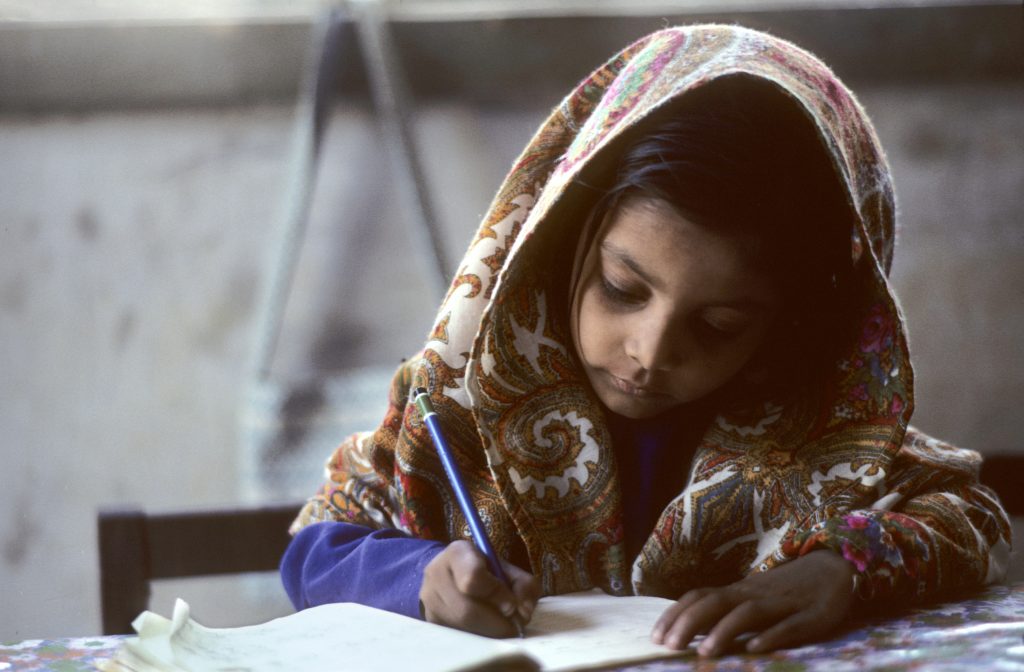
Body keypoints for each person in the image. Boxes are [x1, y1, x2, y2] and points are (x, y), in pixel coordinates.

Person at [280, 24, 1012, 656]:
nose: (652, 352)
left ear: (791, 319)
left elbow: (972, 517)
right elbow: (314, 548)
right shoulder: (454, 400)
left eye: (720, 325)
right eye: (623, 290)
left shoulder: (820, 427)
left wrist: (840, 569)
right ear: (559, 239)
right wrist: (419, 579)